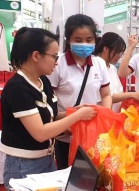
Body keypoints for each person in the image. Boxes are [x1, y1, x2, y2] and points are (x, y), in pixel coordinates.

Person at [0, 27, 96, 191]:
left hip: (46, 159)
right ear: (36, 55)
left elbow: (50, 115)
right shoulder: (18, 88)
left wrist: (73, 112)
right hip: (24, 165)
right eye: (54, 57)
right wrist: (78, 115)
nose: (57, 62)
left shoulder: (42, 81)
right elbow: (41, 132)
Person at [47, 14, 112, 170]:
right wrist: (67, 120)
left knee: (95, 178)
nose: (84, 44)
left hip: (94, 135)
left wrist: (104, 115)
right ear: (68, 40)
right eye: (78, 40)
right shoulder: (58, 64)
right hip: (66, 136)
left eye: (89, 40)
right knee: (67, 178)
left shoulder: (99, 63)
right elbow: (50, 102)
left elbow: (106, 94)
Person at [94, 32, 139, 112]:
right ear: (106, 49)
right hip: (102, 116)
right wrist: (130, 95)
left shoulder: (112, 68)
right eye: (117, 52)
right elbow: (106, 96)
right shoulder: (96, 65)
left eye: (121, 53)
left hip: (114, 115)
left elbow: (119, 92)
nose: (119, 56)